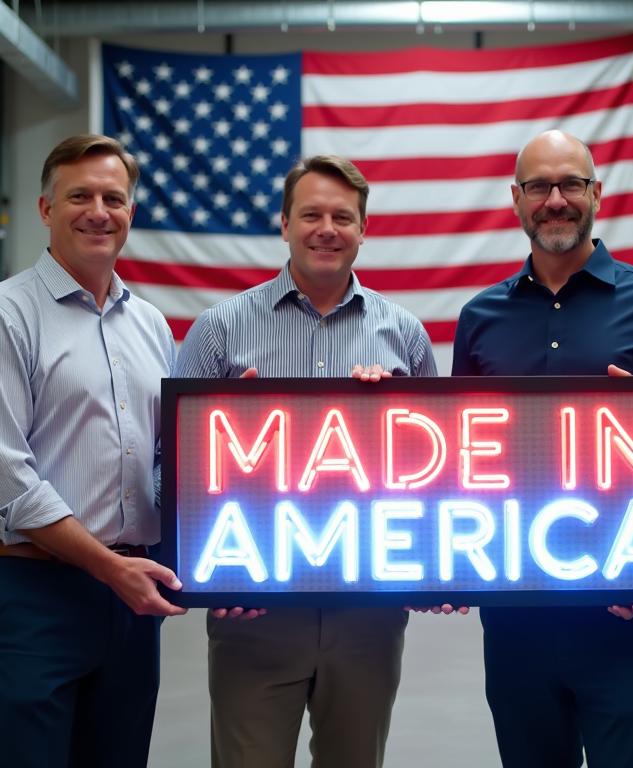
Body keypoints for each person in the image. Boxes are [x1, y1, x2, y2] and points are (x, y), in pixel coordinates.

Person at [451, 129, 633, 768]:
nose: (556, 200)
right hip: (514, 617)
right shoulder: (479, 318)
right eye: (540, 186)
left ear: (596, 193)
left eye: (571, 183)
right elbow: (460, 457)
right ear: (517, 199)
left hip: (624, 611)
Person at [174, 154, 443, 768]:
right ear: (285, 224)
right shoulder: (218, 330)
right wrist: (208, 574)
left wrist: (390, 417)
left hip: (368, 615)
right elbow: (171, 469)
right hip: (255, 612)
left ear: (363, 229)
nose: (327, 228)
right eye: (312, 214)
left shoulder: (403, 335)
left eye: (343, 216)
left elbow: (439, 471)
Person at [0, 134, 185, 767]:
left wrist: (230, 423)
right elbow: (5, 480)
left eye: (114, 197)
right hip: (32, 593)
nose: (98, 211)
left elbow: (169, 461)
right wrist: (110, 569)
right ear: (45, 209)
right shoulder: (1, 316)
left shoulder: (152, 326)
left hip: (129, 601)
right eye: (79, 195)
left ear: (131, 212)